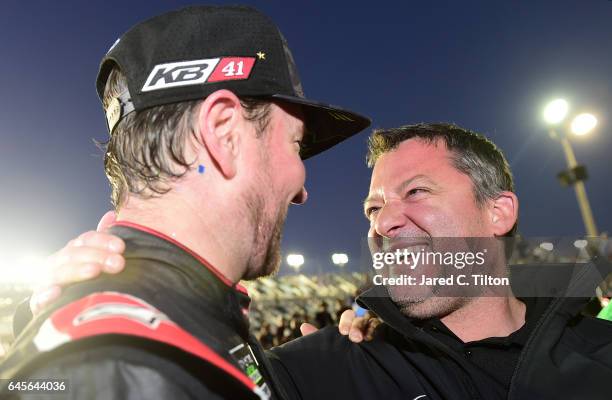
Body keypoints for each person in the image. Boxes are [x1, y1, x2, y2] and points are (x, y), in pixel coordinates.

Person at [28, 123, 612, 399]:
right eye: (373, 206)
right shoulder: (315, 375)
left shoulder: (597, 349)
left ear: (498, 211)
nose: (384, 222)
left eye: (416, 193)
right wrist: (63, 335)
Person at [0, 5, 370, 400]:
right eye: (295, 145)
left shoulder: (156, 333)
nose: (301, 188)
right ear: (223, 133)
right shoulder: (123, 364)